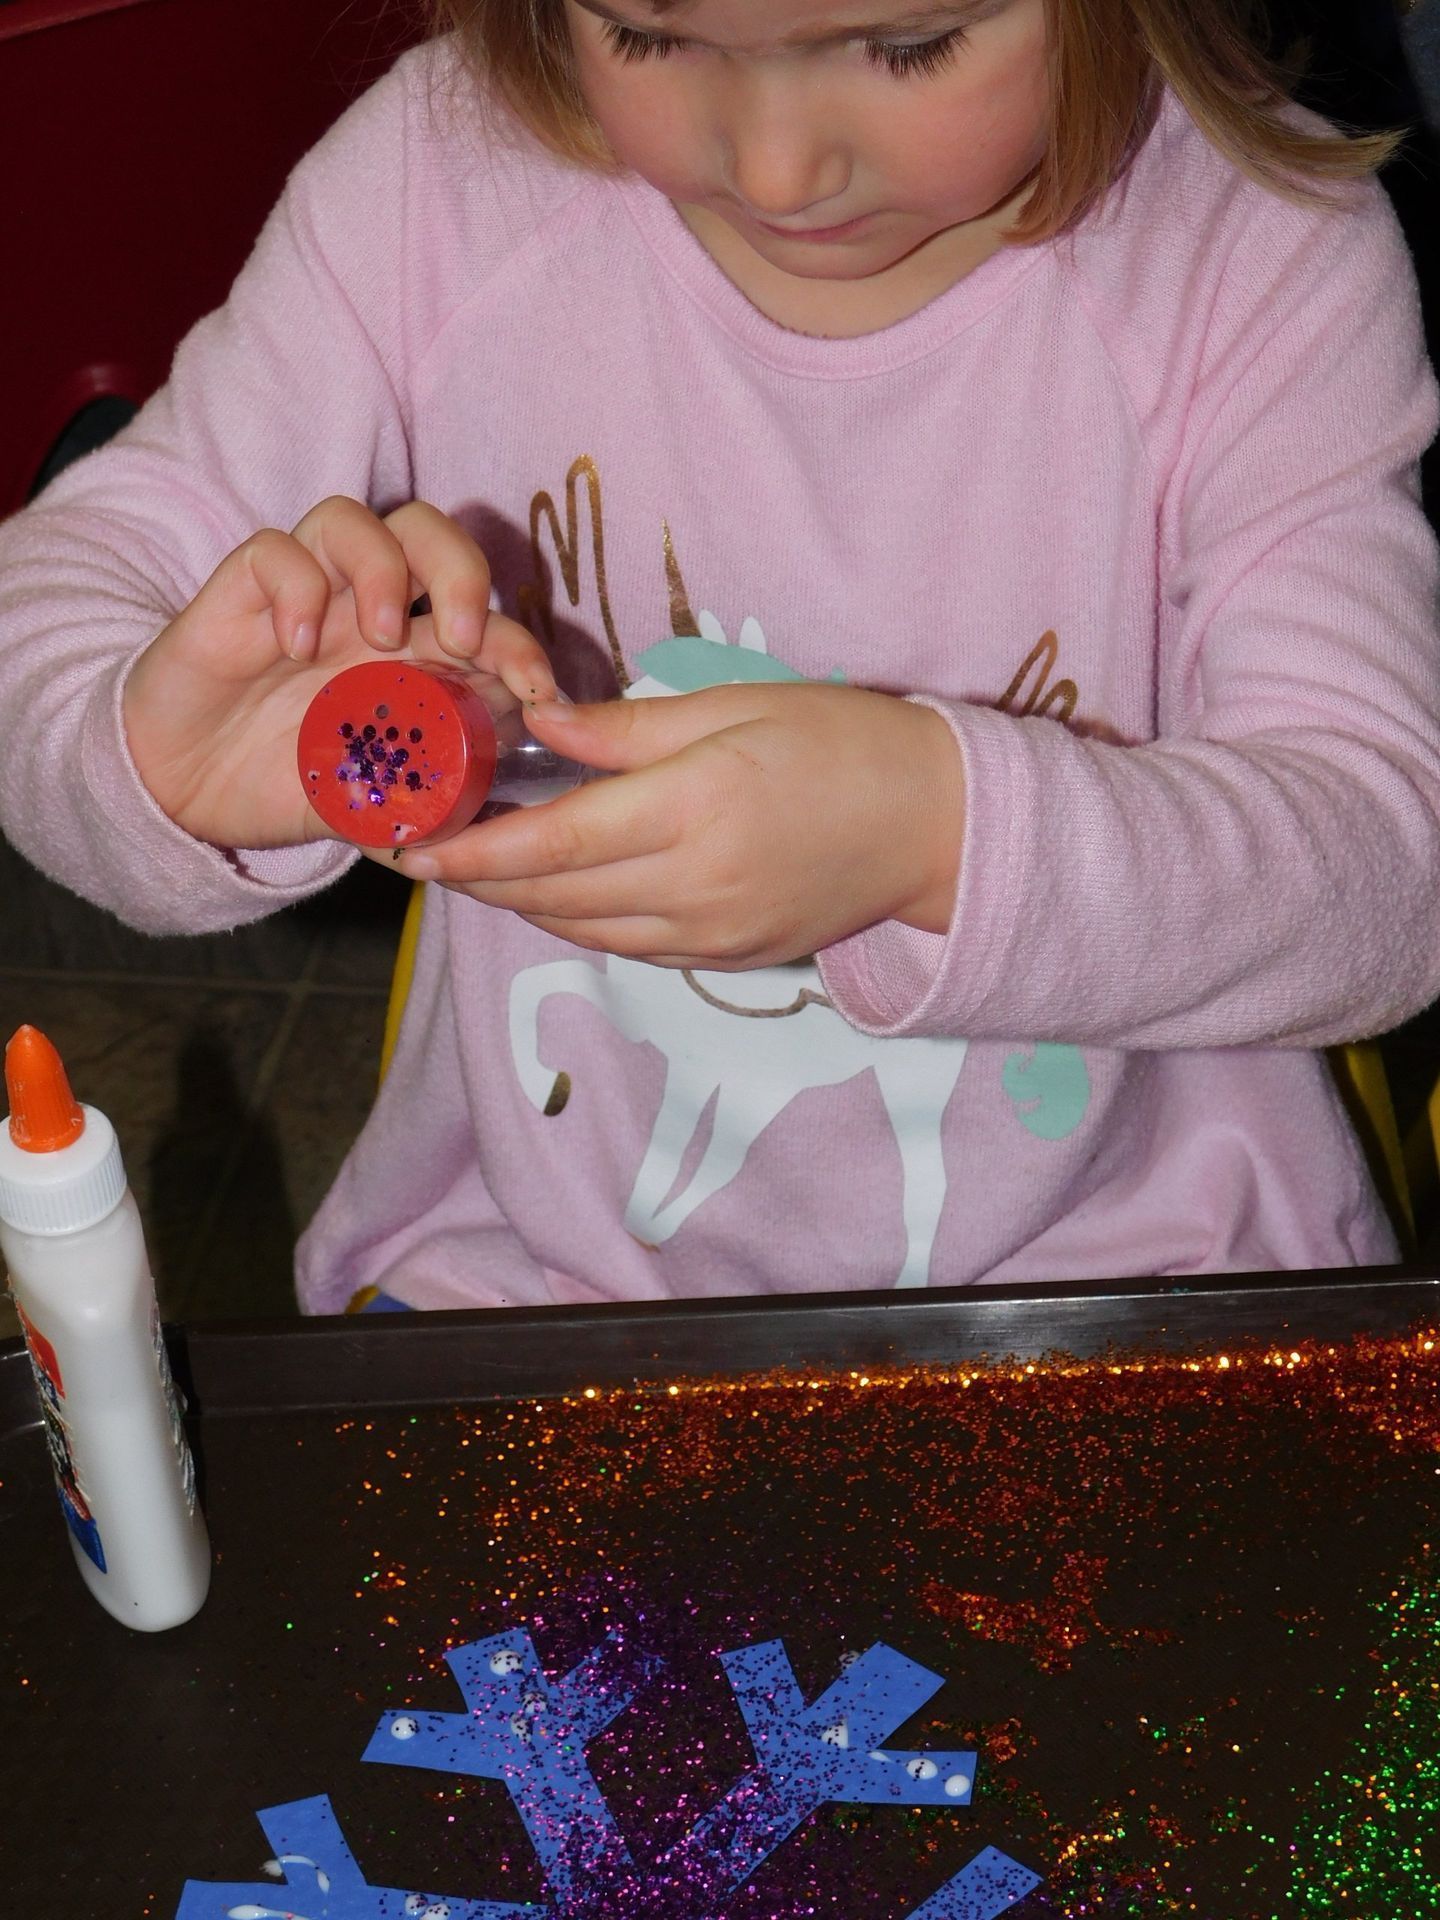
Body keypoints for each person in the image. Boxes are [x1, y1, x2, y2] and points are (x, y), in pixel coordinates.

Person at [0, 0, 1437, 1309]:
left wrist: (930, 834)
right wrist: (154, 753)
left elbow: (1392, 870)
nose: (774, 171)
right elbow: (50, 604)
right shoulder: (432, 188)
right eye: (646, 34)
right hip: (538, 1281)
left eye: (908, 48)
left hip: (1159, 1291)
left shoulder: (1263, 252)